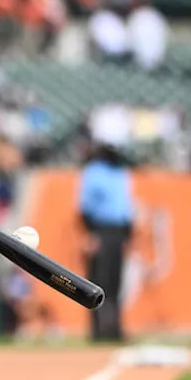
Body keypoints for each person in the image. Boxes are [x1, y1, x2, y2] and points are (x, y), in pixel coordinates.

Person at [78, 142, 135, 342]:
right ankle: (97, 331)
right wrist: (91, 234)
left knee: (115, 282)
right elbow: (85, 207)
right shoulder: (93, 172)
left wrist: (128, 235)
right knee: (98, 281)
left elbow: (126, 207)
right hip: (100, 230)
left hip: (118, 232)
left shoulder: (121, 173)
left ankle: (115, 329)